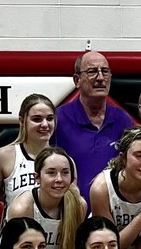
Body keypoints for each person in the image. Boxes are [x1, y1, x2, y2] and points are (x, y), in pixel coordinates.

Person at [52, 52, 135, 200]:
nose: (100, 78)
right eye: (92, 72)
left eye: (105, 71)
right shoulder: (58, 119)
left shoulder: (123, 120)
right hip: (70, 214)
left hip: (112, 214)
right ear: (77, 80)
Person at [4, 146, 86, 249]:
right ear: (37, 177)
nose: (59, 179)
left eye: (65, 172)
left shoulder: (78, 206)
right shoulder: (22, 209)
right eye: (51, 173)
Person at [0, 93, 55, 207]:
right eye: (37, 119)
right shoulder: (3, 156)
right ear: (22, 121)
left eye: (50, 118)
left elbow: (72, 207)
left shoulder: (65, 160)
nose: (45, 124)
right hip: (16, 224)